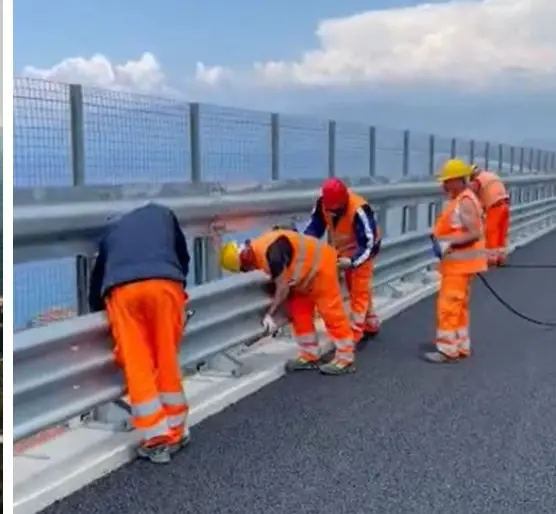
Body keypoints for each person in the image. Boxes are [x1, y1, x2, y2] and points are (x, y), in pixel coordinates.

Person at [87, 203, 191, 464]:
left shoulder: (112, 231)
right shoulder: (164, 213)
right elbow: (182, 255)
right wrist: (177, 283)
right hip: (165, 284)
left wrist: (97, 312)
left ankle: (156, 441)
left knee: (137, 363)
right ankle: (177, 430)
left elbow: (98, 277)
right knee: (166, 356)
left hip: (123, 291)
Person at [219, 227, 356, 376]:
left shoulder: (271, 252)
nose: (250, 270)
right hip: (304, 277)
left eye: (245, 268)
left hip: (321, 267)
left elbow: (282, 287)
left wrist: (270, 315)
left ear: (245, 259)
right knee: (299, 312)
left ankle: (345, 357)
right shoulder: (261, 249)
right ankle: (310, 354)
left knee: (330, 311)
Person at [304, 178, 383, 341]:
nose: (333, 213)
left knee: (358, 288)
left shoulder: (359, 209)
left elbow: (367, 243)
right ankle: (370, 321)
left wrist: (353, 261)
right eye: (330, 209)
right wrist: (303, 248)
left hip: (364, 250)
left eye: (337, 210)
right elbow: (314, 229)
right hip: (343, 249)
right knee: (353, 285)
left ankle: (354, 333)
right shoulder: (322, 204)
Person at [426, 159, 487, 363]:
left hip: (459, 265)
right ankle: (460, 345)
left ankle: (446, 349)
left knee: (448, 306)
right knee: (459, 307)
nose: (444, 185)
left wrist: (448, 245)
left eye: (448, 181)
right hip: (458, 264)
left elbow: (474, 233)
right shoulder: (462, 198)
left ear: (460, 180)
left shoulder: (465, 201)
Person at [469, 164, 510, 266]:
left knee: (491, 232)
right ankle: (500, 257)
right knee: (501, 233)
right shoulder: (491, 175)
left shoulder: (478, 180)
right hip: (505, 205)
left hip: (495, 206)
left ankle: (491, 259)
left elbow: (472, 193)